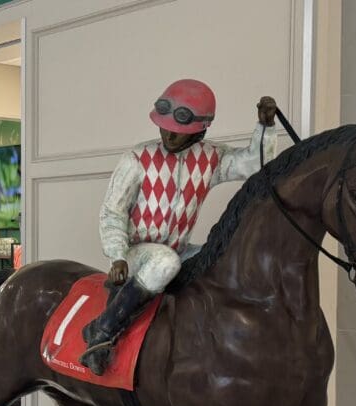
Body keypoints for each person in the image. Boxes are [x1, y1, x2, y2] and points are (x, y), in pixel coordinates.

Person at [80, 79, 279, 375]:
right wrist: (118, 255)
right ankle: (102, 331)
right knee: (164, 261)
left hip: (179, 250)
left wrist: (265, 127)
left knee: (222, 257)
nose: (169, 135)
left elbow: (254, 164)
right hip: (137, 253)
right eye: (165, 127)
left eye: (179, 131)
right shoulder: (136, 159)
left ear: (201, 129)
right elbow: (113, 212)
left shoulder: (211, 157)